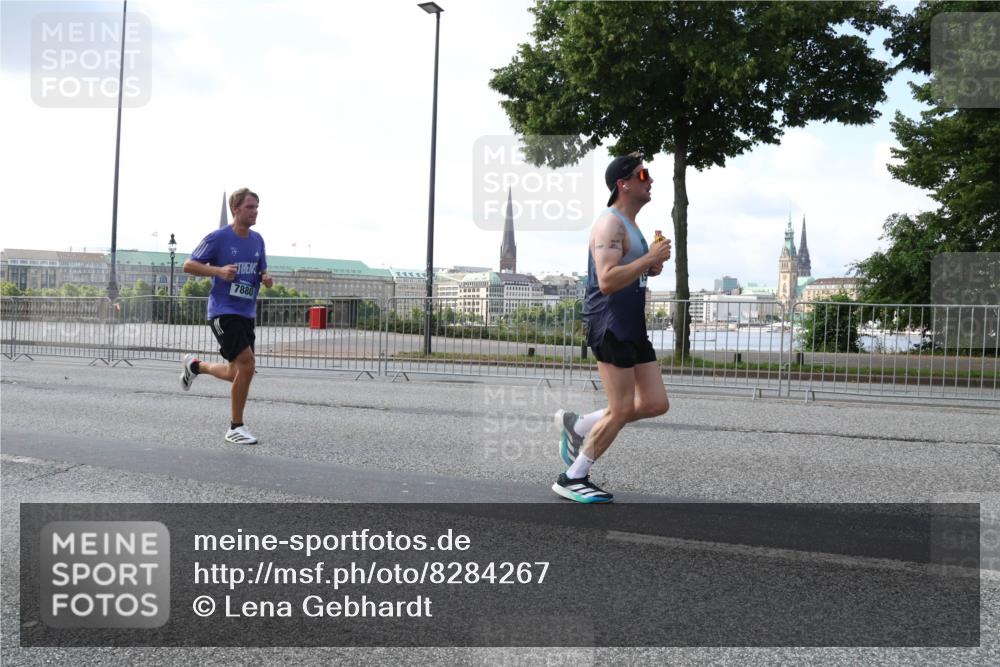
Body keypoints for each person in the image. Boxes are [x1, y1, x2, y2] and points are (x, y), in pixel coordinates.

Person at [552, 153, 672, 503]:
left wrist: (648, 267)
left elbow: (625, 271)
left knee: (655, 403)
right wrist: (648, 259)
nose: (650, 181)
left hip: (633, 324)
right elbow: (605, 280)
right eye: (643, 174)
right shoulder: (610, 224)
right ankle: (573, 476)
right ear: (624, 183)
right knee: (620, 409)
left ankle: (579, 425)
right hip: (609, 322)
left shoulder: (630, 226)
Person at [179, 188, 273, 445]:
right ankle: (236, 427)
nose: (255, 212)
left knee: (237, 372)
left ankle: (195, 367)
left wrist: (266, 278)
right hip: (223, 311)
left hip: (246, 312)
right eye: (250, 207)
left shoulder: (258, 240)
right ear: (235, 209)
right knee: (248, 364)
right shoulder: (219, 237)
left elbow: (261, 270)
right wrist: (218, 271)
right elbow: (188, 265)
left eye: (256, 207)